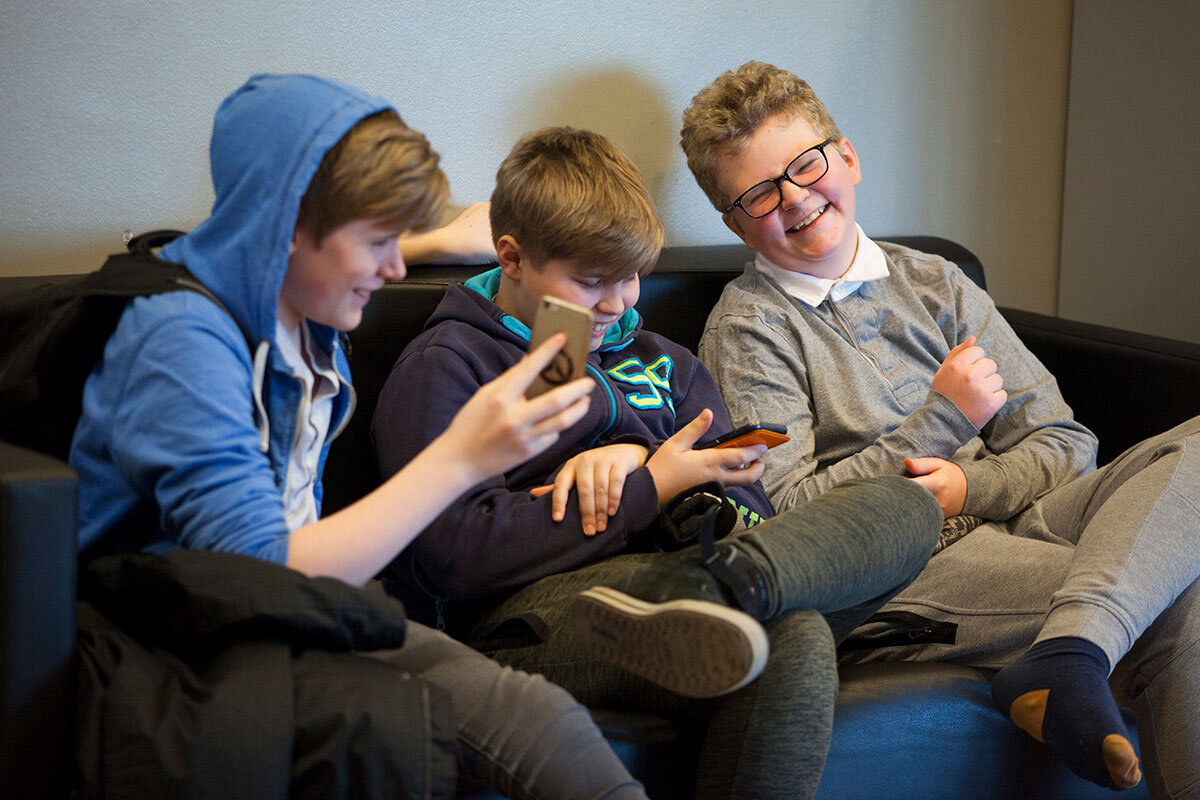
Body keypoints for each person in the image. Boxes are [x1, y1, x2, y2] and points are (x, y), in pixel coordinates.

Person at [69, 73, 653, 799]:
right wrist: (459, 459)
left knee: (542, 722)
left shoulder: (307, 311)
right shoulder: (181, 342)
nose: (395, 266)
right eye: (379, 240)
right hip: (177, 638)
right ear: (283, 227)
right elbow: (256, 571)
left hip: (292, 612)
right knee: (400, 731)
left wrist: (432, 237)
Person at [372, 125, 943, 800]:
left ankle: (734, 586)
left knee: (908, 505)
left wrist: (652, 467)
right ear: (514, 258)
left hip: (694, 571)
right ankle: (731, 591)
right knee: (796, 640)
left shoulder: (668, 364)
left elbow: (749, 511)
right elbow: (457, 556)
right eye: (590, 282)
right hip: (535, 616)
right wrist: (648, 488)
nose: (617, 304)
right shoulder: (451, 364)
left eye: (631, 277)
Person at [684, 60, 1200, 797]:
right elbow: (788, 518)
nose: (795, 197)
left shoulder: (934, 282)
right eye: (761, 193)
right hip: (910, 565)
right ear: (736, 222)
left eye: (805, 165)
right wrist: (943, 421)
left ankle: (1073, 647)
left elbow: (1066, 443)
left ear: (846, 157)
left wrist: (969, 486)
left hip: (1023, 512)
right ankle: (1076, 648)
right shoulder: (749, 330)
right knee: (1182, 597)